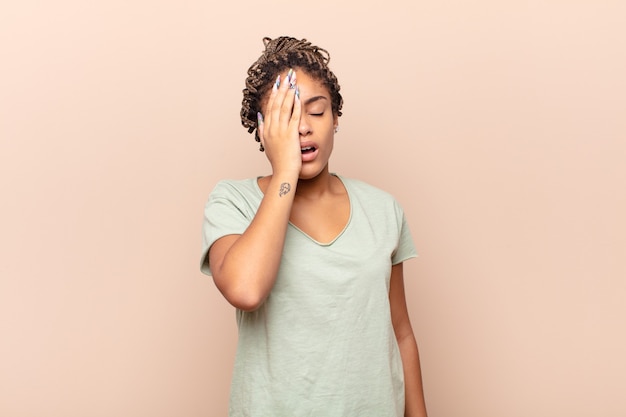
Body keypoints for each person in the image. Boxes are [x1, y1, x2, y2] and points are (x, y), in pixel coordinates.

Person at [200, 36, 428, 417]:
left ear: (336, 118)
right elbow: (246, 288)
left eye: (316, 112)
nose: (302, 128)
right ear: (262, 129)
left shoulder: (383, 209)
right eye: (285, 117)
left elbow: (400, 332)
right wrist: (286, 169)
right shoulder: (232, 202)